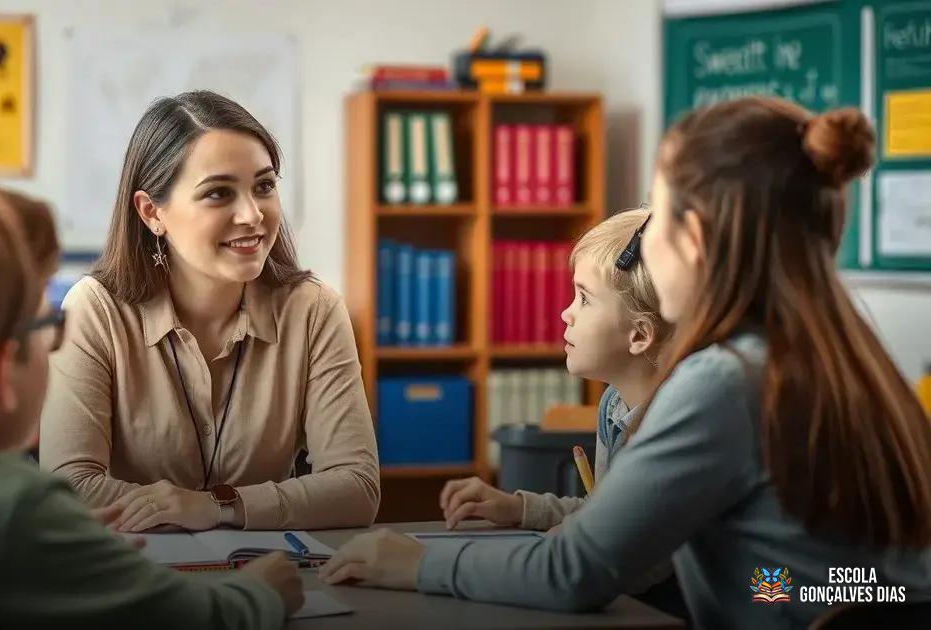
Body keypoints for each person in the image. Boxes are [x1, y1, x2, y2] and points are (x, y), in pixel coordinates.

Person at [319, 97, 931, 628]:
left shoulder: (726, 381)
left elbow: (575, 571)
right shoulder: (849, 358)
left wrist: (416, 560)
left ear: (690, 239)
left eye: (654, 217)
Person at [0, 152, 302, 628]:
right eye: (49, 323)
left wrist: (65, 546)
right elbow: (202, 620)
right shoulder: (12, 511)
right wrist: (260, 590)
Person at [39, 91, 379, 532]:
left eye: (264, 186)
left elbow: (356, 487)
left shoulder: (314, 310)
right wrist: (193, 510)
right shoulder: (95, 311)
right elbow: (70, 489)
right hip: (136, 573)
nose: (252, 214)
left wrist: (218, 507)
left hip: (269, 574)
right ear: (151, 212)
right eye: (219, 193)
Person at [437, 208, 684, 618]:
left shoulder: (676, 424)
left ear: (639, 335)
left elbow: (635, 560)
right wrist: (517, 508)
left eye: (584, 298)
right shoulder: (613, 404)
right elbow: (606, 516)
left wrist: (571, 548)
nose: (565, 313)